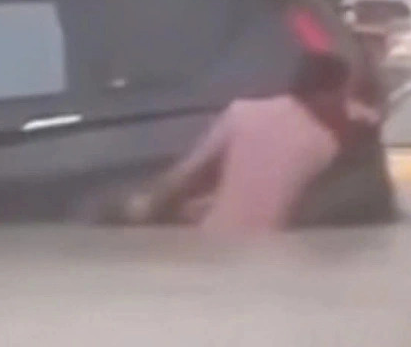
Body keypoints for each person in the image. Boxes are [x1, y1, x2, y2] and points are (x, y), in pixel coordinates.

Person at [124, 50, 353, 235]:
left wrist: (146, 206)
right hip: (274, 254)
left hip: (214, 243)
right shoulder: (325, 146)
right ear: (330, 93)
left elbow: (186, 172)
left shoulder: (242, 112)